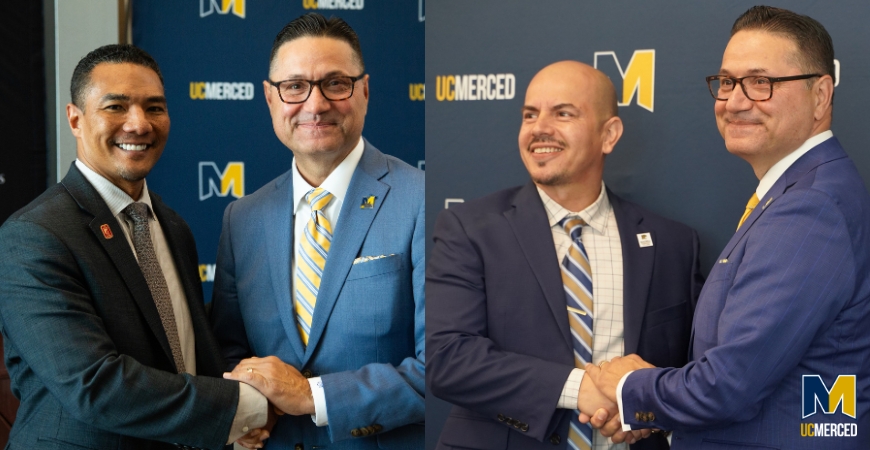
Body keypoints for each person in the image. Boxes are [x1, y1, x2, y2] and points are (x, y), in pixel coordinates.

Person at [586, 6, 870, 449]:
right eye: (727, 82)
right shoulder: (799, 191)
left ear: (820, 94)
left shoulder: (811, 208)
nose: (735, 101)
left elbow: (728, 386)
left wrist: (629, 387)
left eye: (762, 83)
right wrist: (656, 413)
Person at [0, 44, 267, 450]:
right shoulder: (33, 236)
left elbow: (185, 353)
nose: (139, 124)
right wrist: (245, 409)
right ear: (75, 119)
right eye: (116, 107)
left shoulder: (173, 227)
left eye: (154, 107)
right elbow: (94, 386)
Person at [426, 60, 703, 450]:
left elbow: (692, 374)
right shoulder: (469, 228)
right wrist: (581, 390)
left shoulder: (673, 244)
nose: (540, 128)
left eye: (563, 113)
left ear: (609, 135)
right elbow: (449, 358)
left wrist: (649, 411)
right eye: (530, 114)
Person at [212, 13, 425, 448]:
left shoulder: (423, 201)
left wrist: (311, 396)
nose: (315, 105)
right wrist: (246, 408)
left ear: (364, 91)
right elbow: (228, 351)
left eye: (335, 83)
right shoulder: (242, 218)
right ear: (270, 98)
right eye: (295, 86)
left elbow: (447, 367)